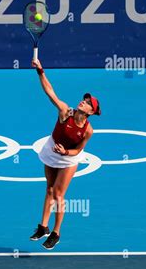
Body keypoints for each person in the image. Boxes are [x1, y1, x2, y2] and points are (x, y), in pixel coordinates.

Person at [30, 58, 101, 250]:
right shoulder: (65, 112)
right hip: (52, 150)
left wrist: (66, 152)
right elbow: (50, 92)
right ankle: (43, 227)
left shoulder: (88, 130)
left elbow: (78, 150)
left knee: (59, 195)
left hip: (69, 157)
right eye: (85, 99)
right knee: (50, 189)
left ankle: (56, 232)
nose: (83, 102)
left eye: (88, 103)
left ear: (91, 112)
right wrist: (40, 71)